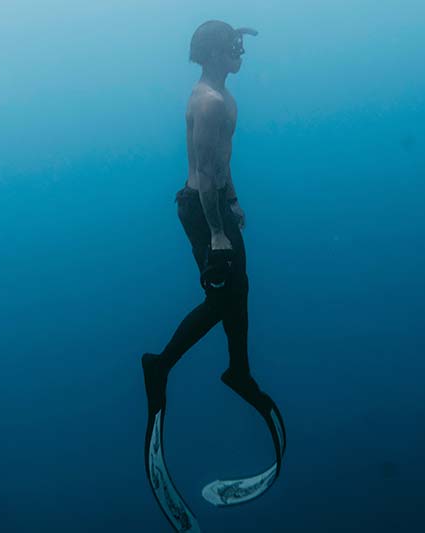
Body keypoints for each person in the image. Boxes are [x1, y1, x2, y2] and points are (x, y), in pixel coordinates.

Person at [140, 21, 286, 532]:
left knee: (237, 292)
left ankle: (237, 370)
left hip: (216, 206)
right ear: (213, 52)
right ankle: (160, 366)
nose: (240, 51)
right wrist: (220, 232)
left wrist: (235, 197)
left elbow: (222, 165)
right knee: (223, 299)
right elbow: (202, 173)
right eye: (233, 45)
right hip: (203, 213)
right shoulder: (208, 103)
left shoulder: (224, 98)